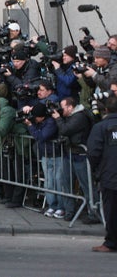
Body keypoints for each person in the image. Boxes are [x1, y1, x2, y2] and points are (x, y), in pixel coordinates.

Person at [53, 96, 100, 224]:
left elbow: (65, 130)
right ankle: (69, 211)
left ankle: (94, 213)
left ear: (70, 107)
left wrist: (57, 118)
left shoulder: (79, 117)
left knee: (87, 186)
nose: (60, 110)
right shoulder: (71, 116)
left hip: (80, 155)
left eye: (62, 107)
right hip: (70, 153)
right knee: (66, 183)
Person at [25, 102, 66, 219]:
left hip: (56, 156)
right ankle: (52, 205)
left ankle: (60, 207)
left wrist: (30, 126)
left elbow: (41, 137)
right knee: (48, 182)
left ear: (41, 116)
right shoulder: (39, 122)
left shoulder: (50, 122)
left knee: (58, 182)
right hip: (45, 155)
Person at [87, 95, 117, 252]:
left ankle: (111, 242)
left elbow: (93, 152)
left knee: (111, 211)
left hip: (109, 176)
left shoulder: (100, 127)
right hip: (109, 174)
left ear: (105, 109)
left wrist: (97, 170)